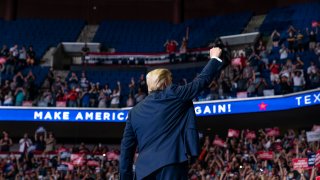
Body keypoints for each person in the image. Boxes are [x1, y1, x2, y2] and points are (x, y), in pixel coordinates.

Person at [120, 47, 223, 180]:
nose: (171, 84)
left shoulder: (134, 112)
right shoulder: (173, 94)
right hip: (170, 165)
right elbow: (200, 82)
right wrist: (214, 58)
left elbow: (126, 150)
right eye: (170, 81)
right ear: (164, 83)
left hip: (143, 172)